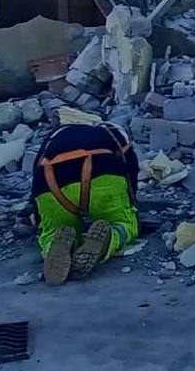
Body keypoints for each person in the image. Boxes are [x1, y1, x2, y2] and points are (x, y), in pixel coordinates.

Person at [30, 120, 140, 286]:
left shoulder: (52, 138)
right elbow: (131, 179)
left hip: (50, 179)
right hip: (102, 174)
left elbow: (35, 185)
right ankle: (110, 239)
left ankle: (55, 243)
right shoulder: (115, 134)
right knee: (124, 222)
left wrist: (41, 222)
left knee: (52, 229)